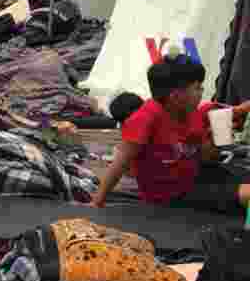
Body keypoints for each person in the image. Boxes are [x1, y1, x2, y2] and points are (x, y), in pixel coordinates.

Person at [90, 55, 250, 214]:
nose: (202, 91)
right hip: (170, 195)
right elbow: (119, 165)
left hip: (196, 176)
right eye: (197, 88)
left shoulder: (195, 111)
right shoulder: (144, 120)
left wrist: (219, 135)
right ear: (175, 96)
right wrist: (97, 204)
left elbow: (208, 157)